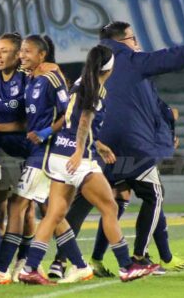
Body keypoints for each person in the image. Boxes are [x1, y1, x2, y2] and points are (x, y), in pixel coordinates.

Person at [90, 21, 184, 270]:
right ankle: (140, 257)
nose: (136, 42)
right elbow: (177, 56)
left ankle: (93, 259)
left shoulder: (94, 65)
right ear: (122, 42)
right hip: (131, 146)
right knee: (154, 195)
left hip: (98, 145)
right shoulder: (133, 62)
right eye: (132, 38)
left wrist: (164, 128)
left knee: (117, 200)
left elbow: (144, 102)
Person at [18, 45, 156, 284]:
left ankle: (29, 268)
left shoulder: (81, 81)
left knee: (54, 214)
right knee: (110, 208)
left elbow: (75, 122)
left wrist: (98, 145)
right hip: (78, 159)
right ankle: (126, 265)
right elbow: (83, 121)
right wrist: (81, 150)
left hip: (58, 154)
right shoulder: (96, 89)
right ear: (109, 68)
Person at [0, 35, 69, 284]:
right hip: (5, 151)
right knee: (13, 208)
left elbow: (51, 114)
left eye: (4, 50)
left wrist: (0, 128)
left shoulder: (31, 78)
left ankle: (18, 263)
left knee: (33, 209)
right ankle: (73, 263)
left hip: (32, 151)